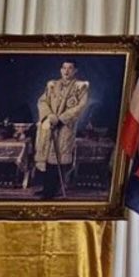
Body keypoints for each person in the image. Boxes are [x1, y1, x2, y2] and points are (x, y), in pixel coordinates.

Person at [35, 61, 90, 198]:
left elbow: (80, 107)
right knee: (48, 157)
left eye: (70, 68)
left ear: (75, 70)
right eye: (64, 68)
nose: (66, 71)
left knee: (58, 158)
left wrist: (61, 119)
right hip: (50, 124)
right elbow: (42, 101)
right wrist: (49, 116)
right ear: (60, 70)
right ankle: (47, 188)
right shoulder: (53, 85)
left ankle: (53, 190)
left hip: (65, 127)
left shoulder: (80, 87)